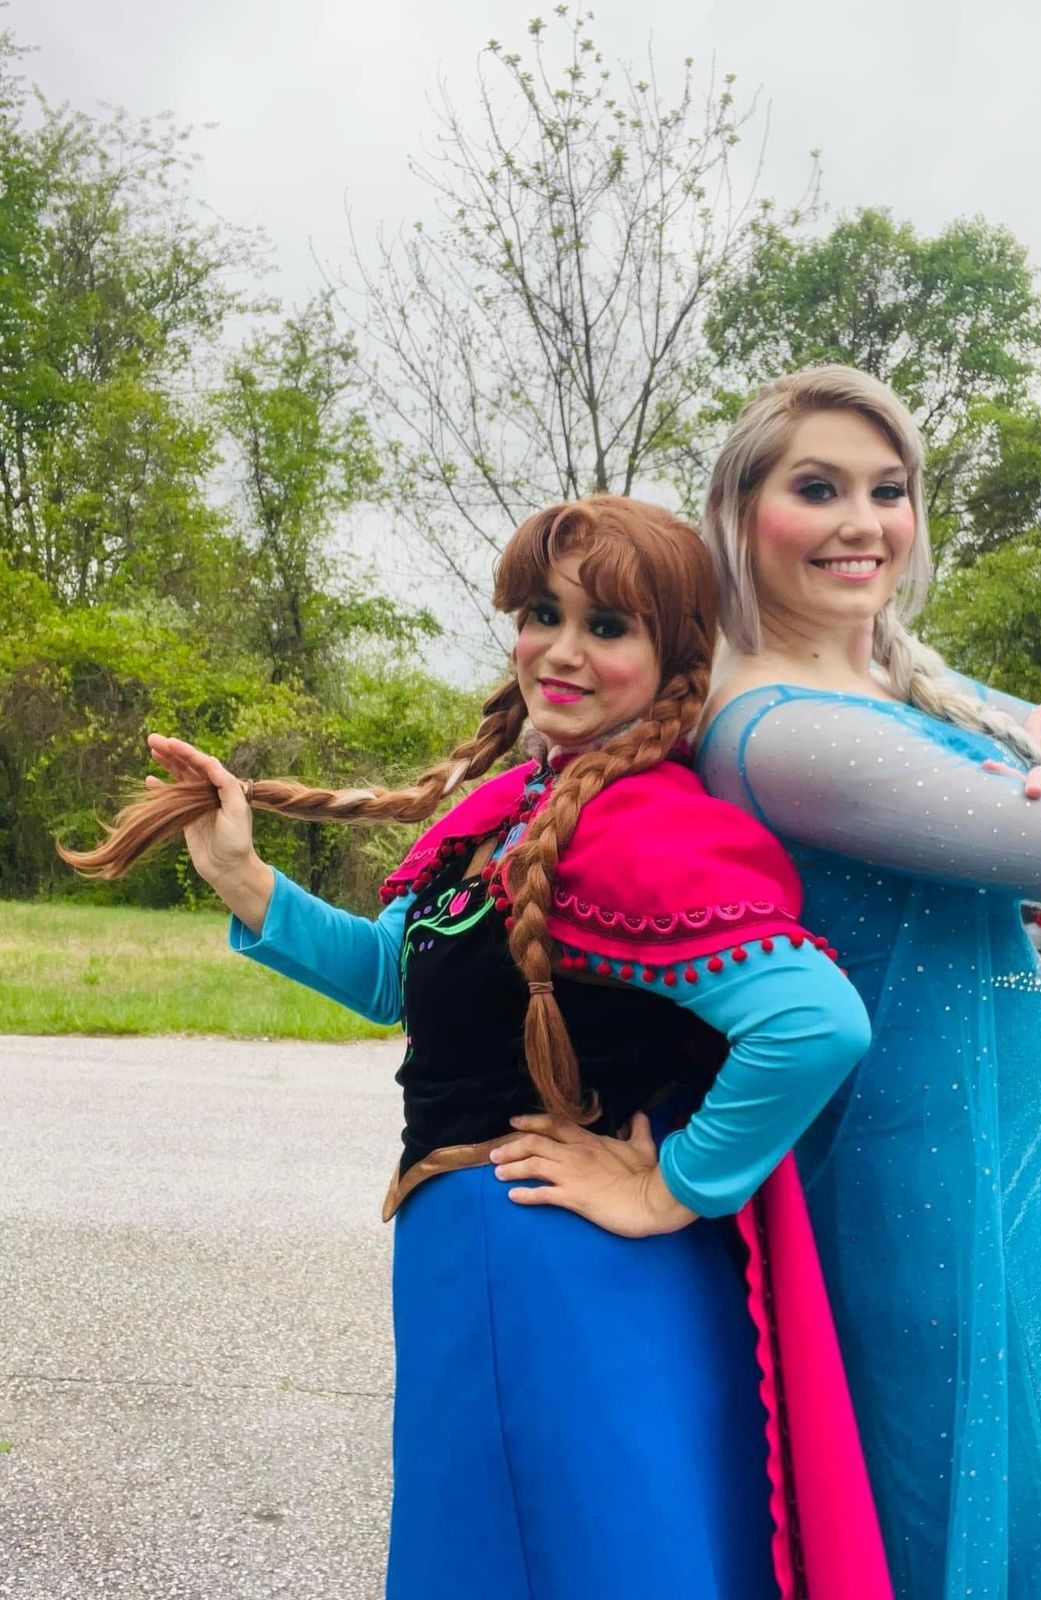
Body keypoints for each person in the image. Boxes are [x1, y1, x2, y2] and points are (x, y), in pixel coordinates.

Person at [61, 495, 889, 1600]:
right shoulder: (506, 806)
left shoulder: (651, 824)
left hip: (563, 1267)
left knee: (587, 1559)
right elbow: (392, 977)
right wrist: (240, 874)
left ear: (677, 653)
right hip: (478, 1262)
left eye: (610, 626)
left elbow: (813, 1021)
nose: (562, 649)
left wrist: (675, 1185)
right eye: (544, 612)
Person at [689, 366, 1041, 1599]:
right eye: (819, 488)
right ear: (742, 512)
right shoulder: (783, 729)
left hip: (1012, 1153)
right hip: (922, 1174)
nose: (863, 521)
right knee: (980, 1498)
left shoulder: (900, 681)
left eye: (889, 489)